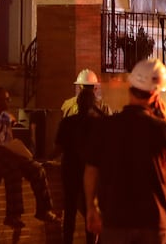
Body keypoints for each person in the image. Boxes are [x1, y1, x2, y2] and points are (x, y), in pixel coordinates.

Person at [84, 58, 166, 244]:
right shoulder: (163, 129)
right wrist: (164, 120)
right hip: (153, 224)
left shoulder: (106, 127)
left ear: (130, 89)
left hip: (115, 222)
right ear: (156, 94)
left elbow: (91, 170)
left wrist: (91, 207)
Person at [0, 86, 60, 229]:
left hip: (9, 153)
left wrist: (18, 151)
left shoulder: (6, 117)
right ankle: (13, 215)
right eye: (3, 99)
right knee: (13, 172)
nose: (7, 102)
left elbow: (9, 139)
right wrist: (13, 152)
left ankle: (44, 210)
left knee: (37, 169)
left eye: (8, 99)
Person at [54, 86, 106, 244]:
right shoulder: (98, 123)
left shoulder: (67, 122)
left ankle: (67, 241)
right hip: (89, 171)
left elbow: (58, 147)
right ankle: (91, 241)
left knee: (69, 210)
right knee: (90, 208)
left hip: (69, 169)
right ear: (93, 103)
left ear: (77, 102)